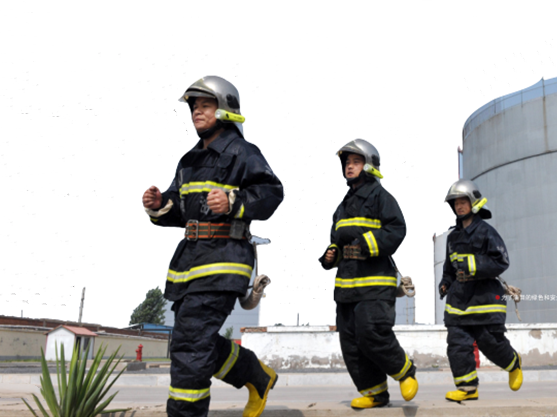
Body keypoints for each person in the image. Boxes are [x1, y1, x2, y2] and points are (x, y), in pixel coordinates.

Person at [143, 76, 284, 417]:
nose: (196, 112)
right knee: (192, 340)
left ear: (225, 109)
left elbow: (271, 193)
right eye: (193, 107)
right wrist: (160, 204)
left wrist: (234, 200)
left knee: (191, 341)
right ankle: (256, 375)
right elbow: (182, 209)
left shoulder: (243, 152)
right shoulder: (188, 161)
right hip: (191, 262)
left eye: (205, 105)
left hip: (225, 259)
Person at [318, 139, 418, 409]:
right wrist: (331, 255)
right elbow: (336, 240)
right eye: (347, 163)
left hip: (375, 283)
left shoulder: (380, 197)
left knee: (371, 332)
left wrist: (367, 244)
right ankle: (375, 393)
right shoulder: (342, 206)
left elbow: (396, 230)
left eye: (356, 162)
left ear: (369, 166)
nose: (350, 167)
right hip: (346, 286)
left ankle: (405, 371)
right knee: (351, 342)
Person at [438, 179, 523, 402]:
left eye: (463, 201)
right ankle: (467, 389)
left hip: (485, 297)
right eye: (455, 202)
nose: (459, 206)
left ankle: (514, 363)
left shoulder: (487, 232)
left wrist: (474, 266)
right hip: (459, 299)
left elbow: (502, 261)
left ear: (474, 202)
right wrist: (445, 282)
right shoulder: (452, 237)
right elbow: (449, 267)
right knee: (457, 345)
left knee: (490, 343)